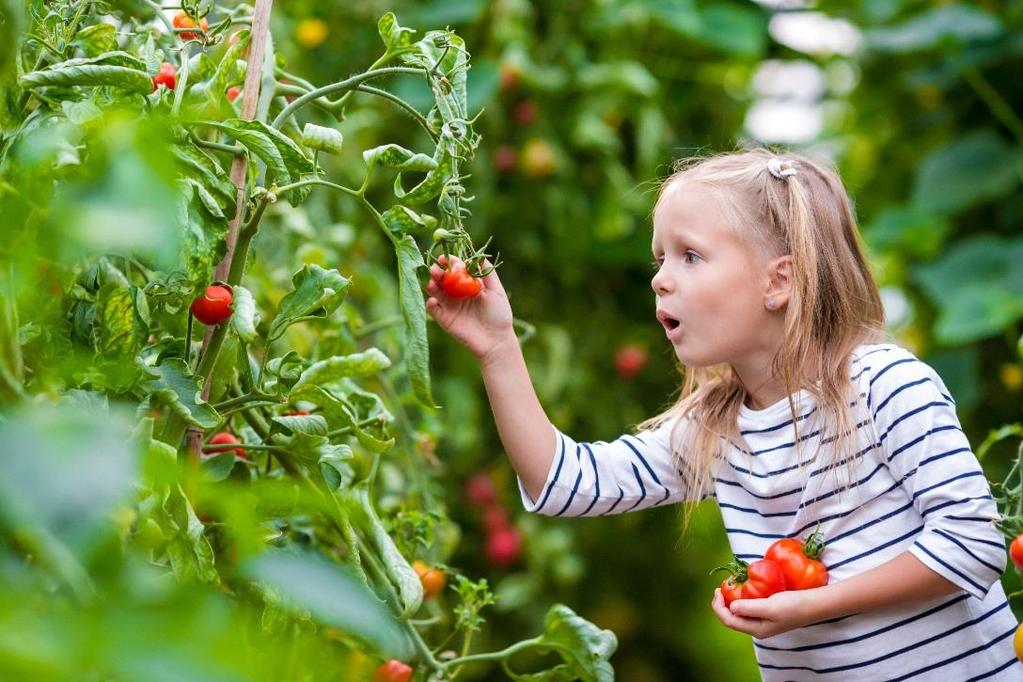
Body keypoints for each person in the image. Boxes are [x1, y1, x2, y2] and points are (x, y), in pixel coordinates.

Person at [424, 147, 1021, 680]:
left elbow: (974, 543)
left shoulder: (886, 384)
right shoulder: (713, 430)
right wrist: (499, 348)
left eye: (689, 256)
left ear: (778, 280)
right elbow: (566, 481)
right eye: (659, 258)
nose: (659, 279)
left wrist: (815, 605)